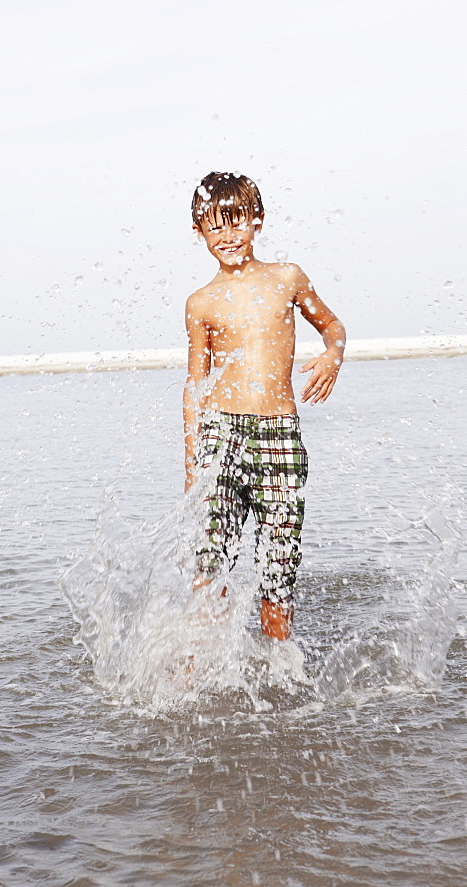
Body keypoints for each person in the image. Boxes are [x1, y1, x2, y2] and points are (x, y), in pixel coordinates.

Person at [184, 171, 345, 641]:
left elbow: (332, 327)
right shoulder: (201, 303)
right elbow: (195, 385)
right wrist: (193, 463)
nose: (227, 235)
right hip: (219, 434)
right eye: (215, 226)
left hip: (279, 433)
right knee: (211, 561)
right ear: (199, 232)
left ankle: (280, 673)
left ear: (258, 220)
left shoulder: (286, 278)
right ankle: (197, 673)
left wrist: (332, 356)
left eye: (236, 223)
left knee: (279, 566)